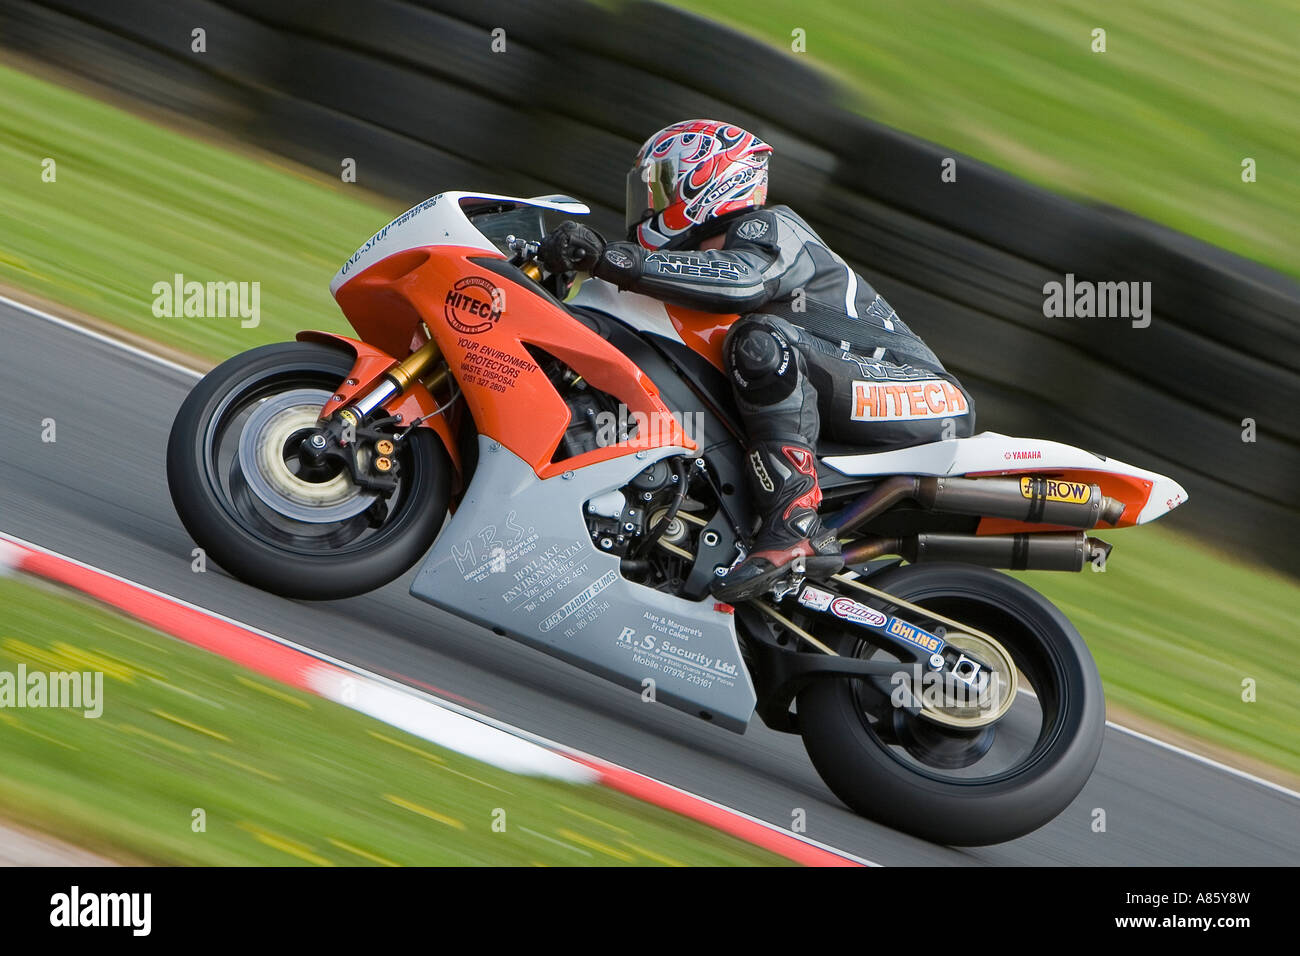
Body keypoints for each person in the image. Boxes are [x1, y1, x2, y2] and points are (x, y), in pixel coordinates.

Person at [537, 119, 975, 602]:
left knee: (760, 342)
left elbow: (739, 281)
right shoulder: (700, 262)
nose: (648, 204)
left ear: (708, 181)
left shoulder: (770, 228)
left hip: (920, 390)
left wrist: (616, 261)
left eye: (662, 185)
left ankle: (794, 522)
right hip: (848, 385)